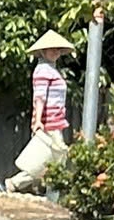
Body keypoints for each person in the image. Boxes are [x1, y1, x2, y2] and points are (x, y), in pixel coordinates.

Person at [13, 29, 78, 190]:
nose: (55, 52)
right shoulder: (42, 70)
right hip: (49, 121)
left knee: (54, 158)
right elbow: (40, 97)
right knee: (53, 157)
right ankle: (15, 183)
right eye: (51, 49)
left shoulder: (51, 70)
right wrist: (37, 121)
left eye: (58, 49)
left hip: (56, 120)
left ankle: (40, 188)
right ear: (43, 51)